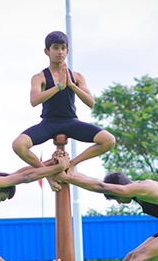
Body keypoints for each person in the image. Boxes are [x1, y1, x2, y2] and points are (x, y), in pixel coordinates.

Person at [11, 31, 116, 192]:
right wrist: (59, 86)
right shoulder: (39, 77)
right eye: (55, 48)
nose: (59, 52)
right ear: (47, 51)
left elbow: (91, 102)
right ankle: (46, 173)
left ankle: (71, 164)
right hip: (48, 123)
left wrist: (71, 86)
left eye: (62, 48)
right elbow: (34, 100)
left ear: (67, 51)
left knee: (109, 140)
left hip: (71, 122)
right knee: (18, 145)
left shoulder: (77, 76)